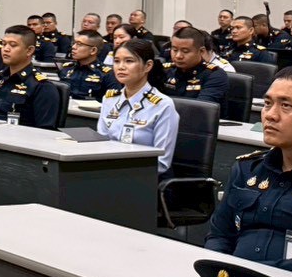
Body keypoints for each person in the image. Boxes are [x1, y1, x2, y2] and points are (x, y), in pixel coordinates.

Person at [203, 67, 292, 270]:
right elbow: (219, 236)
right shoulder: (247, 169)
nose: (270, 115)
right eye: (267, 104)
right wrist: (220, 274)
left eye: (286, 105)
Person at [96, 38, 178, 176]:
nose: (121, 67)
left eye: (129, 61)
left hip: (142, 177)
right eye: (116, 61)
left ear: (148, 66)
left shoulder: (162, 105)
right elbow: (100, 145)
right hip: (108, 172)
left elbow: (161, 162)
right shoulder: (109, 99)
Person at [0, 25, 60, 127]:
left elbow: (45, 131)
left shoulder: (42, 87)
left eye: (13, 45)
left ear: (29, 50)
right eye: (4, 44)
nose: (6, 49)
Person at [161, 28, 229, 107]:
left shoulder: (215, 75)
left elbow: (200, 108)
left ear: (201, 51)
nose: (178, 56)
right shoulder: (165, 70)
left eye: (185, 51)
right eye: (175, 50)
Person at [58, 32, 109, 99]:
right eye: (74, 43)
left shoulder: (105, 74)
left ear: (93, 50)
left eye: (79, 44)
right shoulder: (67, 68)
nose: (73, 47)